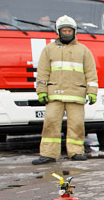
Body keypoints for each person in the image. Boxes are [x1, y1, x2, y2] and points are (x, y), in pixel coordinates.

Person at [32, 15, 98, 164]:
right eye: (64, 31)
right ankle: (48, 153)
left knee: (76, 124)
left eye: (69, 31)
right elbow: (43, 72)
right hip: (54, 94)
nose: (67, 33)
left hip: (76, 94)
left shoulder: (83, 51)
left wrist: (92, 92)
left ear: (74, 32)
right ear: (58, 32)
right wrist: (41, 90)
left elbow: (91, 73)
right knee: (50, 123)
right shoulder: (49, 50)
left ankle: (76, 152)